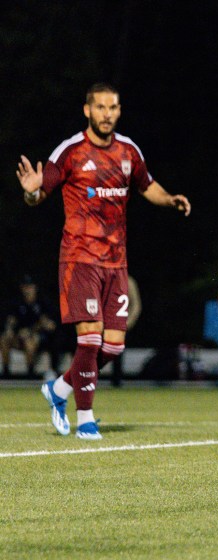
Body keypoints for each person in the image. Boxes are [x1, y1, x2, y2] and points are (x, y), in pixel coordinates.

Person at [16, 82, 191, 440]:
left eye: (112, 108)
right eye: (100, 107)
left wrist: (169, 198)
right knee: (91, 341)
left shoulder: (128, 151)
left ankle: (60, 389)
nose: (106, 114)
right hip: (80, 259)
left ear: (119, 110)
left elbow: (147, 185)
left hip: (116, 263)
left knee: (113, 345)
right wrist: (32, 190)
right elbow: (39, 194)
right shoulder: (71, 151)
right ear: (87, 110)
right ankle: (86, 419)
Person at [0, 275, 59, 378]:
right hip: (19, 336)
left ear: (35, 288)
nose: (27, 290)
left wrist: (30, 331)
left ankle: (30, 372)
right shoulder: (18, 302)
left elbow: (48, 324)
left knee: (30, 342)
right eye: (25, 287)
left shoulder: (42, 302)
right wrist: (9, 329)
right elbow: (11, 320)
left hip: (37, 338)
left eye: (30, 287)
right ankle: (6, 372)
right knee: (4, 339)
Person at [109, 274, 141, 387]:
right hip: (105, 322)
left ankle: (117, 381)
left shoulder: (128, 281)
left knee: (118, 353)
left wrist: (129, 322)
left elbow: (136, 305)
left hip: (120, 324)